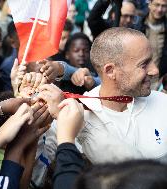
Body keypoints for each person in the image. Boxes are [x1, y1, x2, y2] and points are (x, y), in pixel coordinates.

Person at [38, 27, 167, 165]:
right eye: (144, 64)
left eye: (152, 61)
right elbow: (39, 175)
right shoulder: (68, 117)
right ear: (111, 71)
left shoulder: (163, 103)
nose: (155, 70)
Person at [135, 0, 167, 77]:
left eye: (163, 6)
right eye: (157, 5)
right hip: (138, 77)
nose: (160, 9)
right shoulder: (138, 24)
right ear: (149, 4)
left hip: (159, 80)